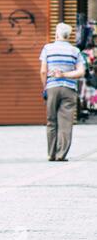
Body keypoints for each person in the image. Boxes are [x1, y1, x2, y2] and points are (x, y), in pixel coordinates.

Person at [40, 23, 85, 162]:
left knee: (51, 121)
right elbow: (81, 72)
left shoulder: (47, 48)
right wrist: (64, 75)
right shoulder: (75, 51)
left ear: (56, 34)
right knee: (65, 123)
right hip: (69, 89)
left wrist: (45, 87)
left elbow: (43, 71)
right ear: (69, 35)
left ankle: (51, 154)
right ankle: (61, 155)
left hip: (52, 87)